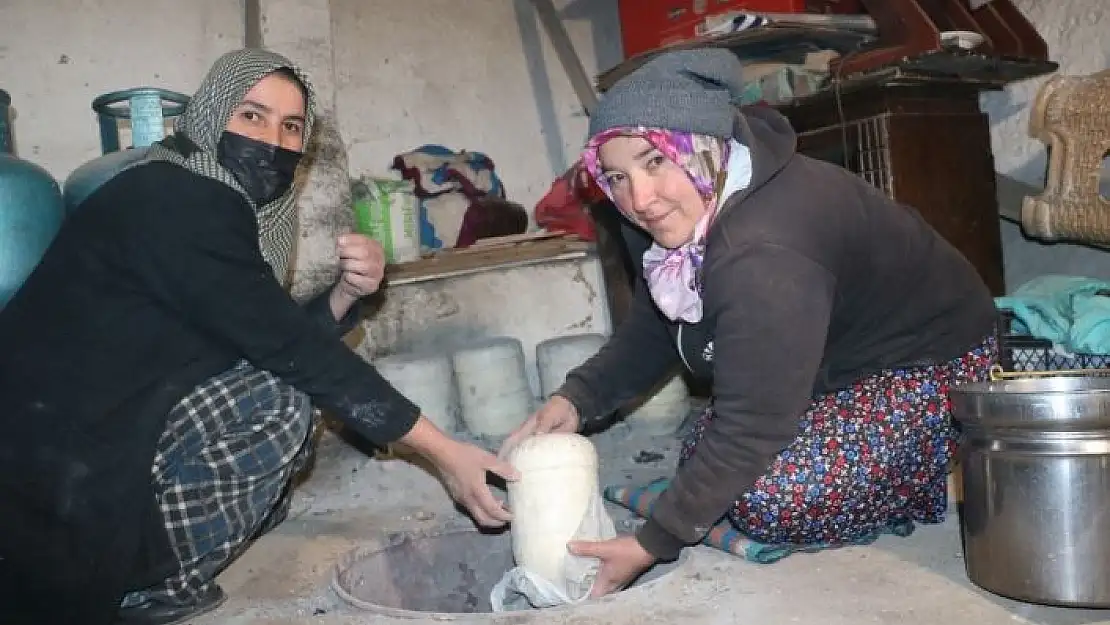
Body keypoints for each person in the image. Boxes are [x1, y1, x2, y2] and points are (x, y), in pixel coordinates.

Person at [0, 48, 516, 625]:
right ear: (208, 116)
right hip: (44, 485)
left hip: (87, 433)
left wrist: (347, 293)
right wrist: (443, 452)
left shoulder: (206, 195)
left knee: (276, 399)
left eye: (291, 126)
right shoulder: (176, 199)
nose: (273, 139)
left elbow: (253, 328)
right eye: (251, 116)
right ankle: (143, 586)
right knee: (282, 401)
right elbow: (289, 353)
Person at [500, 48, 998, 597]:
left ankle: (922, 474)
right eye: (615, 176)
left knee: (772, 499)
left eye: (655, 161)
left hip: (935, 366)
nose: (639, 198)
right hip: (831, 361)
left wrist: (652, 543)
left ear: (702, 145)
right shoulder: (683, 204)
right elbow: (655, 324)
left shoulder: (765, 248)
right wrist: (577, 399)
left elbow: (751, 425)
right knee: (702, 462)